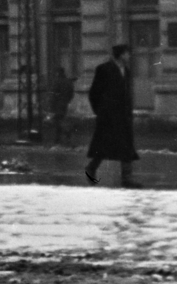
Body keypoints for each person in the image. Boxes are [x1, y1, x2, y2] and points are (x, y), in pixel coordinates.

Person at [85, 45, 139, 187]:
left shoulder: (126, 71)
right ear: (121, 55)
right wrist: (100, 111)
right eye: (127, 53)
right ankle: (91, 168)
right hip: (108, 116)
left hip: (123, 115)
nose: (129, 56)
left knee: (126, 145)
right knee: (104, 145)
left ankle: (127, 178)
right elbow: (94, 93)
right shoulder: (104, 69)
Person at [48, 67, 75, 146]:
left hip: (57, 104)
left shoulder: (57, 81)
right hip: (64, 104)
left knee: (57, 120)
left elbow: (53, 95)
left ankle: (66, 132)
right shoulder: (68, 82)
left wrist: (51, 106)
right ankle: (58, 138)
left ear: (58, 73)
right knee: (60, 119)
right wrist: (67, 101)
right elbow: (71, 94)